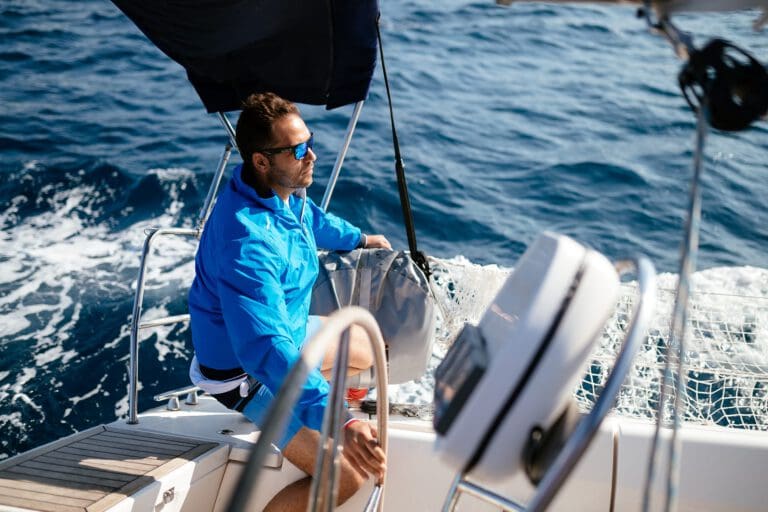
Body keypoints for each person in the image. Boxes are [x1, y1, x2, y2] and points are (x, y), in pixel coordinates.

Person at [188, 92, 390, 510]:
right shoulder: (247, 242)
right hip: (247, 373)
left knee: (372, 348)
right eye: (298, 150)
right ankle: (301, 403)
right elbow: (265, 349)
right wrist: (340, 420)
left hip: (289, 335)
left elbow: (311, 220)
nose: (311, 155)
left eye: (309, 142)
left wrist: (359, 239)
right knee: (344, 477)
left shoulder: (283, 193)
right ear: (261, 161)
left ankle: (307, 395)